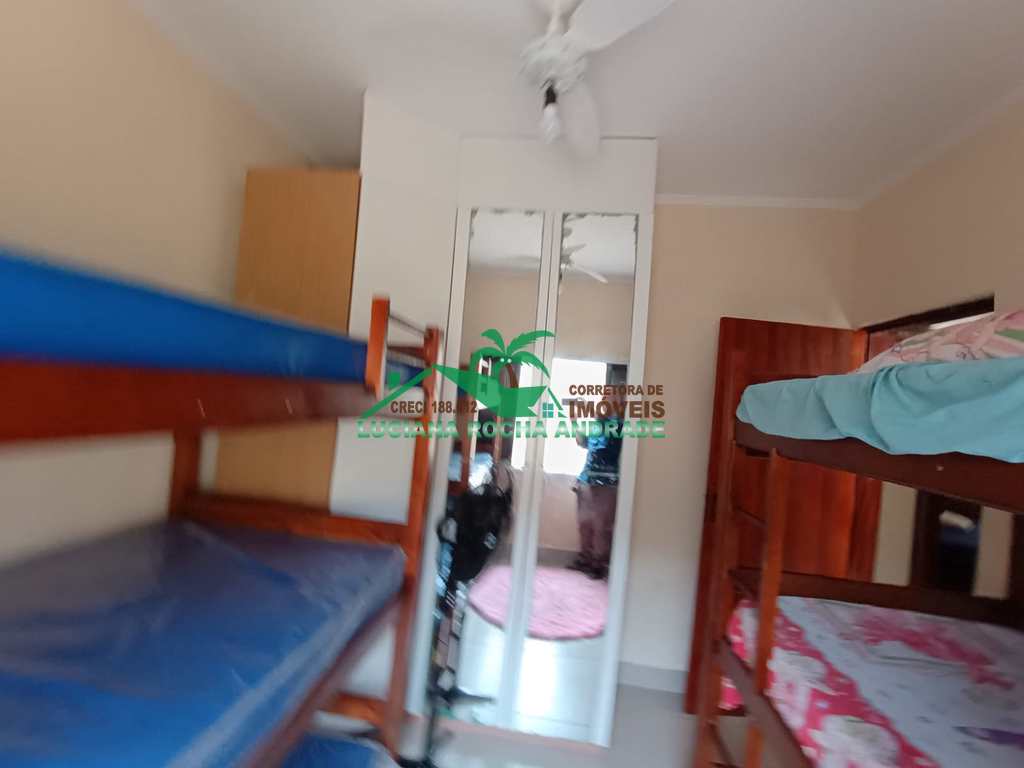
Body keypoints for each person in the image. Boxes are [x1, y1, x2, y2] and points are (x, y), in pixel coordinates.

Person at [568, 397, 623, 580]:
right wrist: (574, 420)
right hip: (586, 479)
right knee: (584, 523)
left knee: (602, 525)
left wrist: (590, 410)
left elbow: (606, 447)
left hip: (607, 482)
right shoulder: (595, 425)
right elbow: (581, 441)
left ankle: (599, 564)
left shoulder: (619, 426)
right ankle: (585, 558)